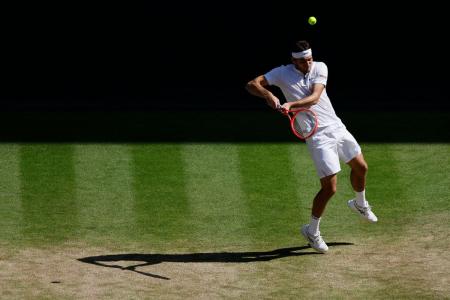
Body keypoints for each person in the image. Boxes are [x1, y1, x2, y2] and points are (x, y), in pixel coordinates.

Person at [245, 40, 378, 253]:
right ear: (293, 61)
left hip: (336, 127)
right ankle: (312, 231)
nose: (308, 64)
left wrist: (289, 104)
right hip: (316, 136)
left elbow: (315, 98)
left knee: (361, 167)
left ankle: (360, 204)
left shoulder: (321, 67)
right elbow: (252, 84)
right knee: (330, 188)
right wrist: (268, 94)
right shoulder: (281, 73)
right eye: (303, 61)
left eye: (310, 59)